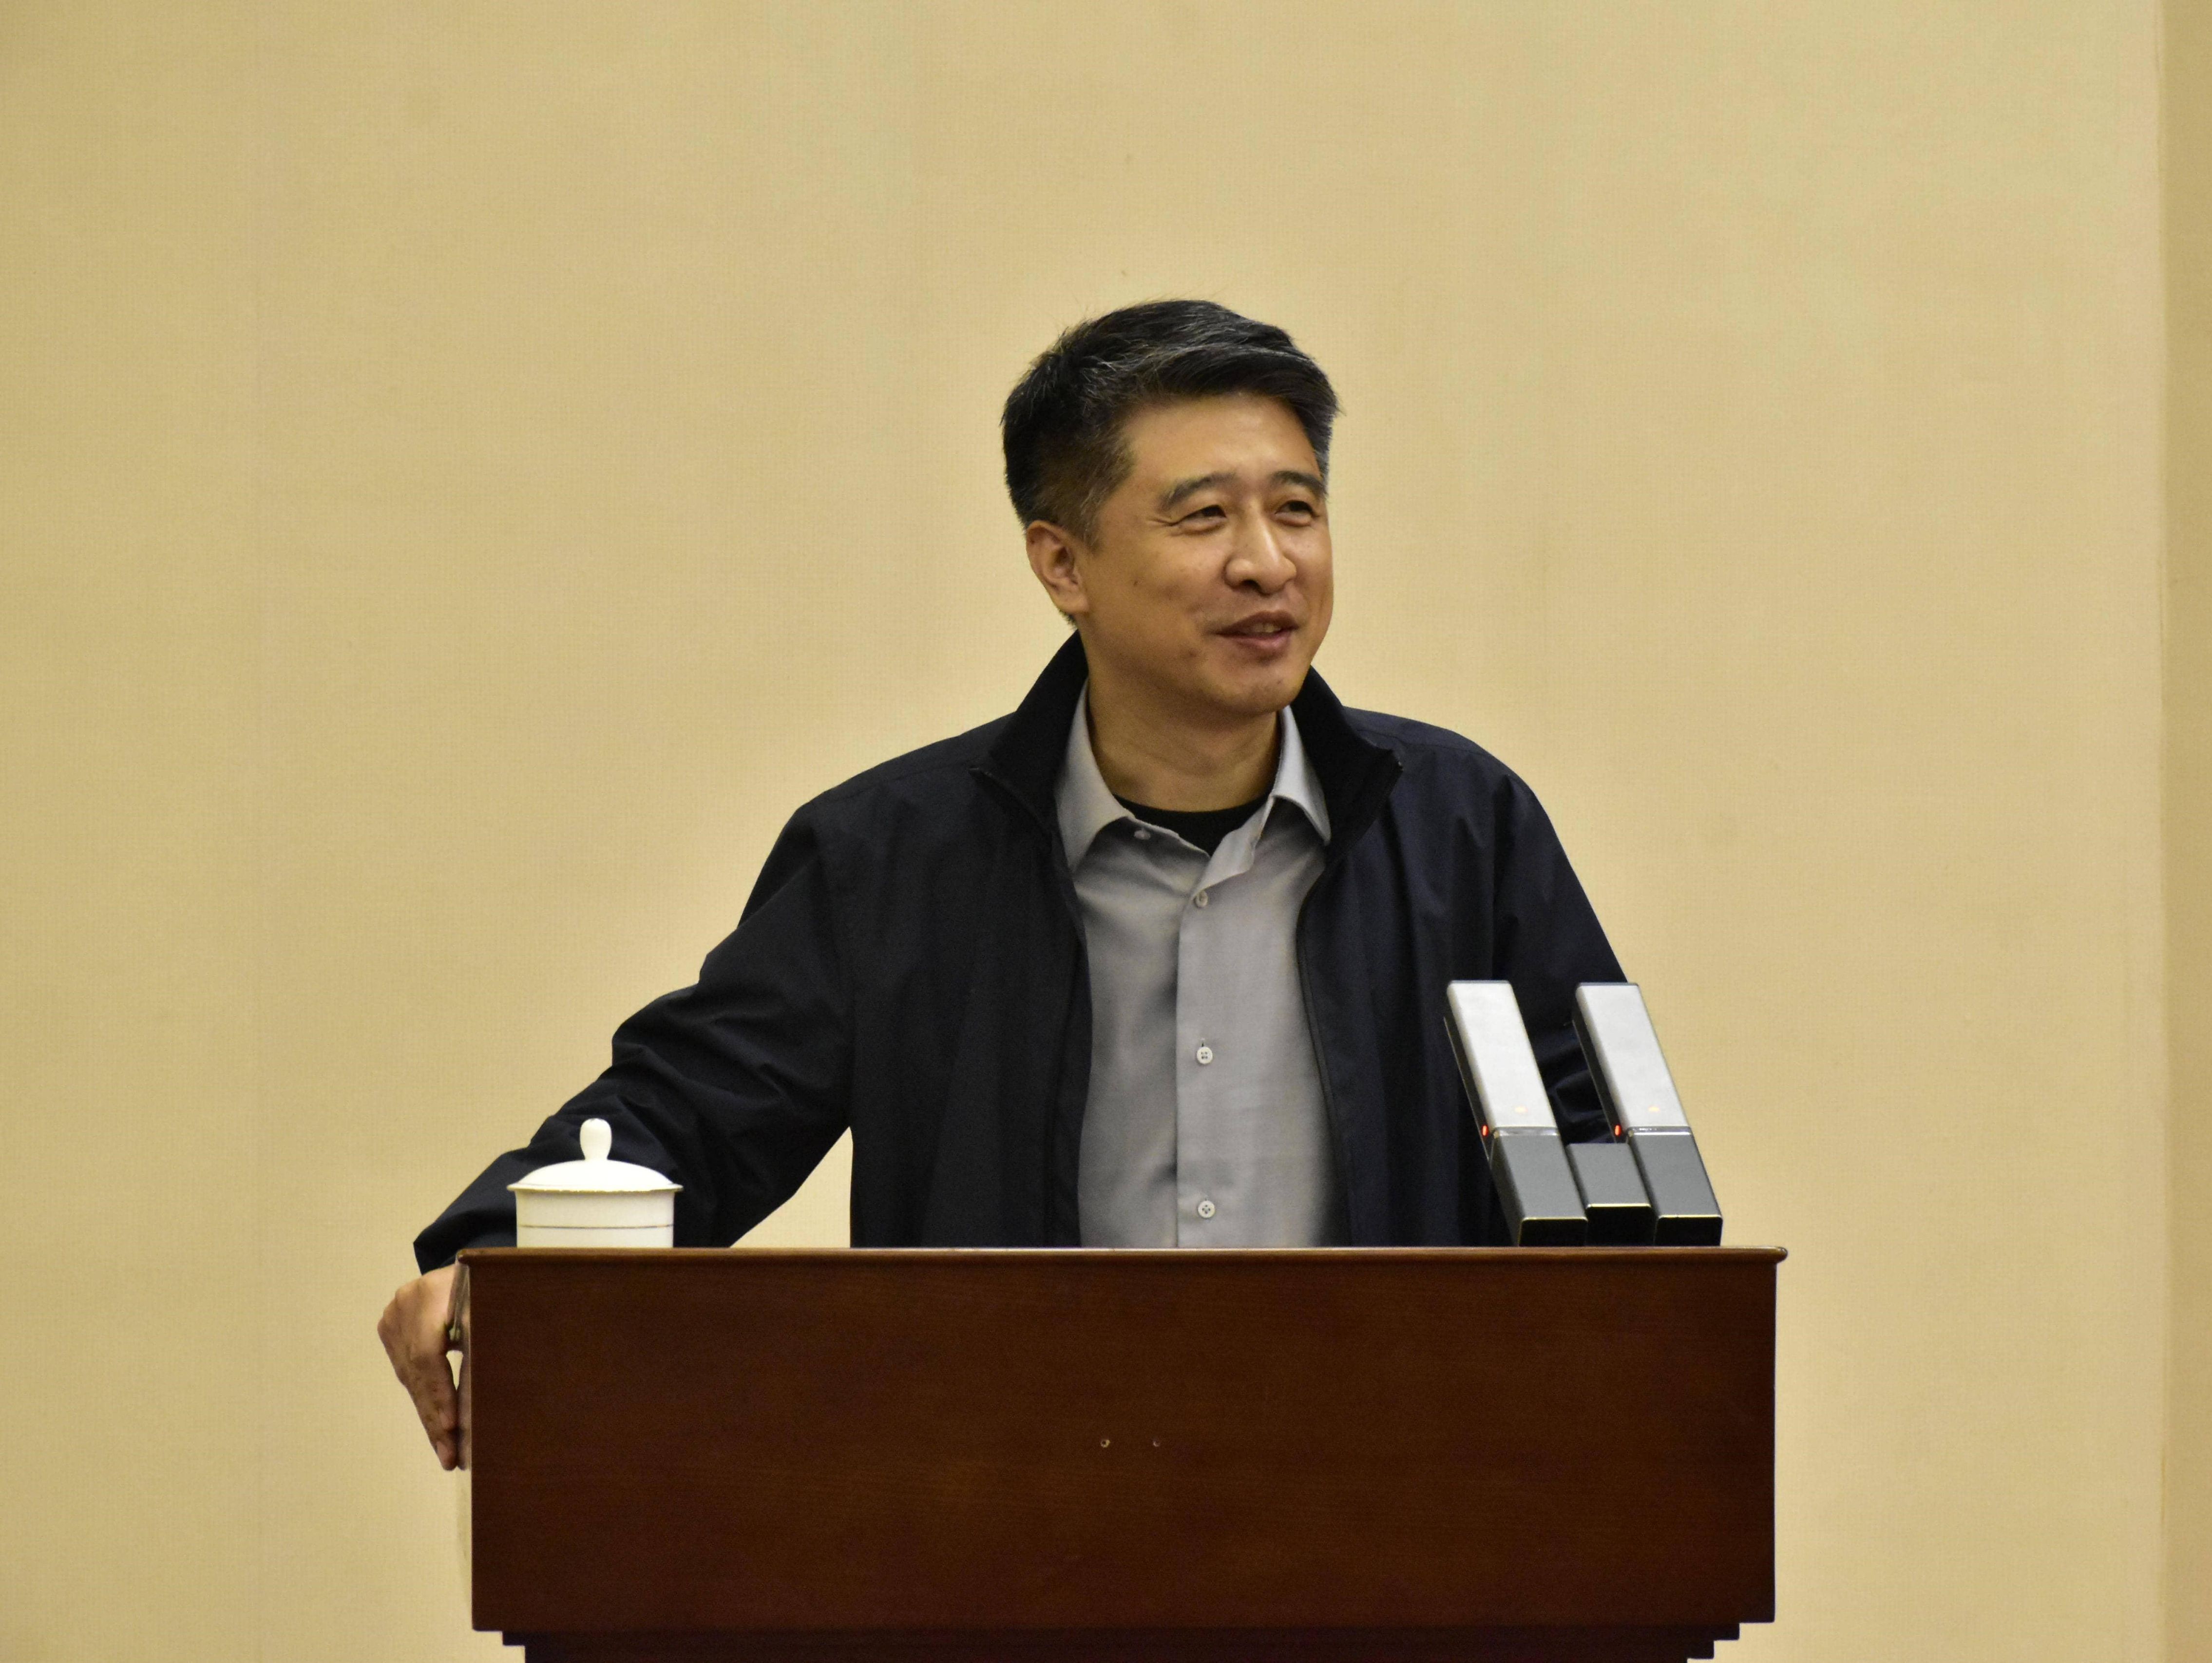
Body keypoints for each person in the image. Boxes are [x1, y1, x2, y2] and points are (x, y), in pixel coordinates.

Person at [377, 300, 1625, 1468]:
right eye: (1202, 518)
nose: (1265, 563)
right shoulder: (897, 856)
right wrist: (495, 1257)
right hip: (1008, 1504)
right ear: (1062, 563)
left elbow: (1604, 1165)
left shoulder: (1459, 828)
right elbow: (699, 1107)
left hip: (1386, 1501)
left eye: (1295, 510)